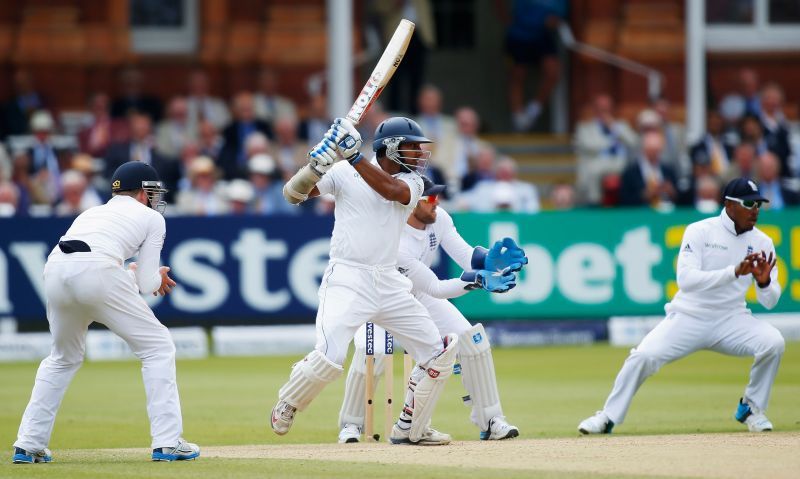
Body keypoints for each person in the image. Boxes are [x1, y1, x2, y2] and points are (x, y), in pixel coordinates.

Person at [272, 116, 523, 445]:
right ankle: (289, 401)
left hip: (388, 280)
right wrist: (315, 166)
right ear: (391, 147)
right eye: (413, 147)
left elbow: (392, 191)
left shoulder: (413, 183)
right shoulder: (345, 172)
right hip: (347, 276)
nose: (420, 154)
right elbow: (293, 194)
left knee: (438, 353)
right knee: (331, 356)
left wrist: (352, 155)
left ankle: (411, 428)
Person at [12, 162, 199, 463]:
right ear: (142, 192)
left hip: (56, 269)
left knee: (62, 357)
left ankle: (28, 444)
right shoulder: (151, 217)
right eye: (151, 192)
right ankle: (167, 442)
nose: (154, 199)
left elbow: (94, 266)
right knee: (158, 346)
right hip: (98, 271)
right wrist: (152, 276)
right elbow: (148, 283)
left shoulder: (92, 212)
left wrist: (133, 273)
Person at [578, 177, 784, 435]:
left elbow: (770, 300)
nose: (755, 210)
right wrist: (733, 272)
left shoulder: (763, 242)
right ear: (729, 205)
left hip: (732, 318)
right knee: (643, 356)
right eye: (749, 203)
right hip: (689, 316)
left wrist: (764, 283)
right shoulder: (700, 231)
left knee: (773, 342)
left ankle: (751, 409)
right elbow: (686, 280)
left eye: (758, 205)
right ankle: (607, 417)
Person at [337, 180, 524, 443]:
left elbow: (466, 256)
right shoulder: (396, 239)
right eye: (430, 199)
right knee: (374, 352)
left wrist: (489, 263)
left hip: (417, 294)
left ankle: (492, 421)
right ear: (411, 203)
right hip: (381, 298)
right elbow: (436, 287)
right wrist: (478, 280)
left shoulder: (440, 219)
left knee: (471, 339)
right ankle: (351, 425)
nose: (437, 204)